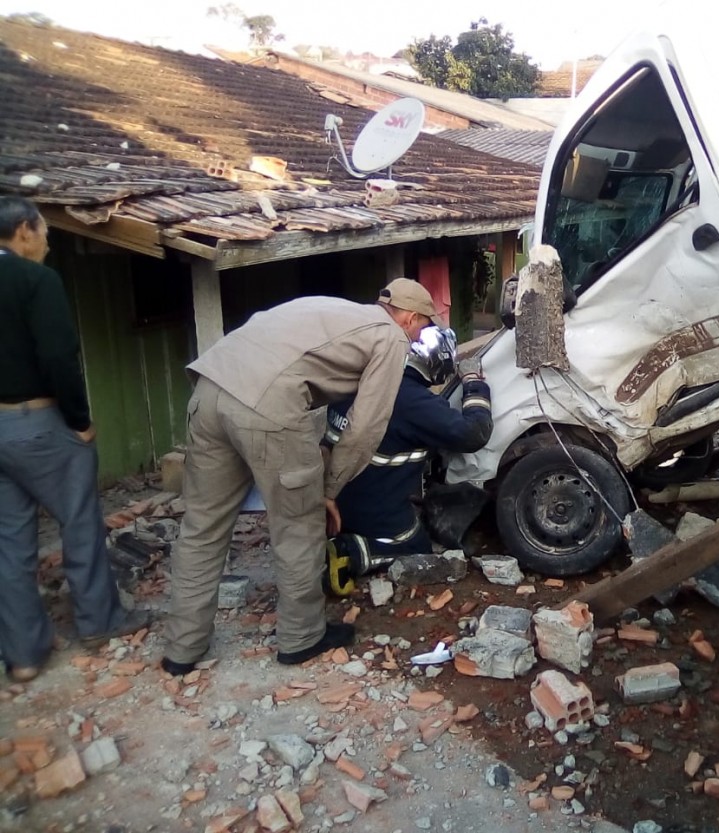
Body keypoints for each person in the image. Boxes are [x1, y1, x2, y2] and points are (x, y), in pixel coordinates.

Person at [160, 278, 441, 675]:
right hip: (265, 407)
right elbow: (366, 426)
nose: (419, 338)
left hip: (207, 391)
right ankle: (301, 638)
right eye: (422, 328)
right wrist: (328, 489)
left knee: (202, 526)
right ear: (410, 318)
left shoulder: (333, 310)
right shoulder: (391, 338)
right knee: (298, 523)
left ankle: (181, 649)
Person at [0, 196, 150, 683]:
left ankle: (24, 655)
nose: (47, 240)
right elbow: (59, 356)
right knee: (80, 522)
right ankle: (100, 621)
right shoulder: (34, 280)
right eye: (45, 230)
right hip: (38, 422)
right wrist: (80, 420)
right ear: (23, 231)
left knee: (9, 543)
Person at [322, 327, 492, 594]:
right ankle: (349, 553)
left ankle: (333, 537)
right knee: (415, 545)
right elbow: (474, 434)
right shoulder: (412, 400)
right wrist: (474, 383)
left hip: (331, 500)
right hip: (368, 505)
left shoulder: (357, 379)